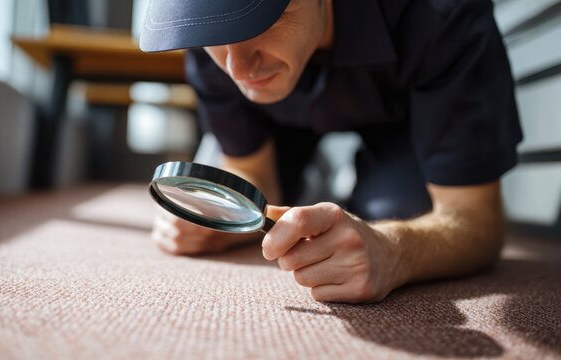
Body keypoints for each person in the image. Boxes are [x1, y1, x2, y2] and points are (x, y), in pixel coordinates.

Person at [140, 0, 522, 303]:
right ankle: (315, 181)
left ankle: (353, 185)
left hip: (408, 116)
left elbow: (474, 218)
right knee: (234, 190)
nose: (237, 68)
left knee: (394, 213)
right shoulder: (208, 42)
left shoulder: (442, 17)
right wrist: (223, 223)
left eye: (260, 22)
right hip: (278, 125)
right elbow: (255, 175)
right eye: (215, 36)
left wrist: (393, 251)